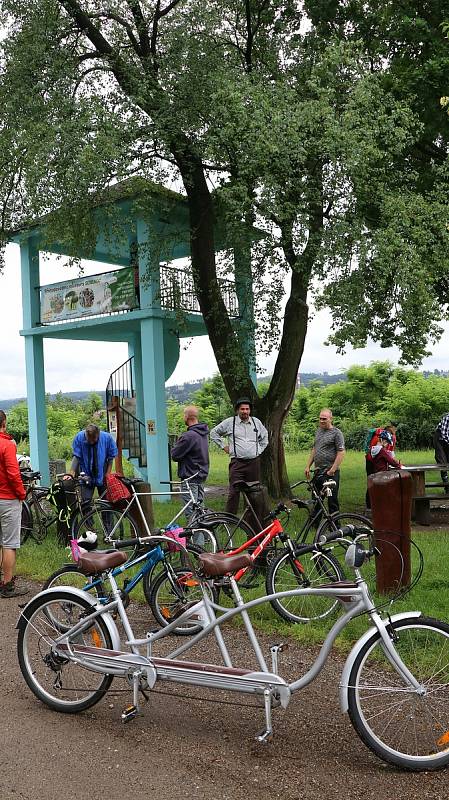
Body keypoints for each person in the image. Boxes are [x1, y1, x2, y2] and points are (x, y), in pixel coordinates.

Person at [210, 397, 268, 515]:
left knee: (253, 492)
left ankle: (252, 519)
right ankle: (230, 519)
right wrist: (224, 447)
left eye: (247, 409)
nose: (245, 411)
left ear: (250, 410)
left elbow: (265, 437)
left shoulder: (256, 422)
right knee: (234, 492)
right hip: (237, 463)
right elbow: (213, 433)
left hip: (254, 463)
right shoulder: (230, 422)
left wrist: (259, 450)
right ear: (237, 410)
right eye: (242, 409)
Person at [0, 410, 28, 598]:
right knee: (9, 544)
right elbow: (13, 473)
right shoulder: (7, 444)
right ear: (4, 423)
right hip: (7, 499)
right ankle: (8, 585)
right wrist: (21, 493)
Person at [304, 408, 345, 516]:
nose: (322, 421)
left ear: (331, 419)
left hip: (330, 472)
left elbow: (341, 452)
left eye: (324, 419)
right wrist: (308, 466)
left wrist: (333, 470)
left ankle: (335, 525)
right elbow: (314, 449)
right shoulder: (319, 431)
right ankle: (315, 523)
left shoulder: (337, 433)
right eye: (320, 418)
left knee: (332, 499)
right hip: (318, 471)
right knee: (317, 498)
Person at [171, 406, 209, 517]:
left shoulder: (188, 436)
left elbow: (175, 455)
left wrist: (176, 445)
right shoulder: (203, 434)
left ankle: (197, 535)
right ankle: (204, 534)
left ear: (187, 417)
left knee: (191, 515)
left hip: (189, 478)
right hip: (200, 476)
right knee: (200, 512)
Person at [69, 423, 118, 506]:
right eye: (89, 440)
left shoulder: (107, 438)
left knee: (106, 502)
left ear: (98, 434)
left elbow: (110, 457)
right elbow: (76, 456)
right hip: (86, 474)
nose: (91, 442)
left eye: (94, 439)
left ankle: (107, 519)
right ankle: (87, 519)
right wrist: (71, 472)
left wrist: (108, 473)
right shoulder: (80, 437)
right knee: (85, 502)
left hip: (102, 473)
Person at [365, 420, 399, 508]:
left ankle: (370, 504)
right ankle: (375, 505)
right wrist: (397, 464)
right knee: (377, 484)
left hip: (371, 461)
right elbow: (388, 455)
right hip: (376, 464)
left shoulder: (383, 438)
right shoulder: (381, 441)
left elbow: (389, 452)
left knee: (371, 482)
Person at [434, 412, 449, 494]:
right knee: (442, 461)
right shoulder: (447, 418)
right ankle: (447, 487)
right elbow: (444, 434)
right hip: (439, 438)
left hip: (447, 440)